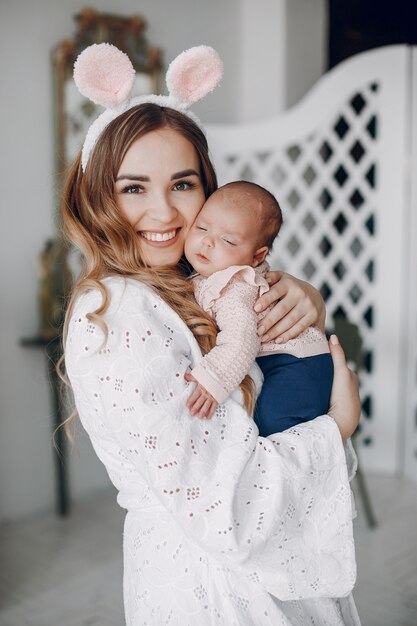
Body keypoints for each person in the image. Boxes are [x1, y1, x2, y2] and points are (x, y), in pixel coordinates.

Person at [62, 43, 361, 625]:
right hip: (214, 589)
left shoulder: (189, 284)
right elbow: (228, 507)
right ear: (100, 195)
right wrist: (337, 429)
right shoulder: (119, 315)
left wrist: (306, 300)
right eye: (133, 188)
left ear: (209, 189)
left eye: (182, 184)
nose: (164, 212)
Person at [184, 181, 334, 436]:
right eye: (201, 227)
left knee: (275, 424)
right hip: (293, 358)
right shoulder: (211, 273)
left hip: (295, 363)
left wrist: (213, 380)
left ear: (257, 257)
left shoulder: (235, 286)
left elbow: (242, 338)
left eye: (228, 240)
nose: (208, 242)